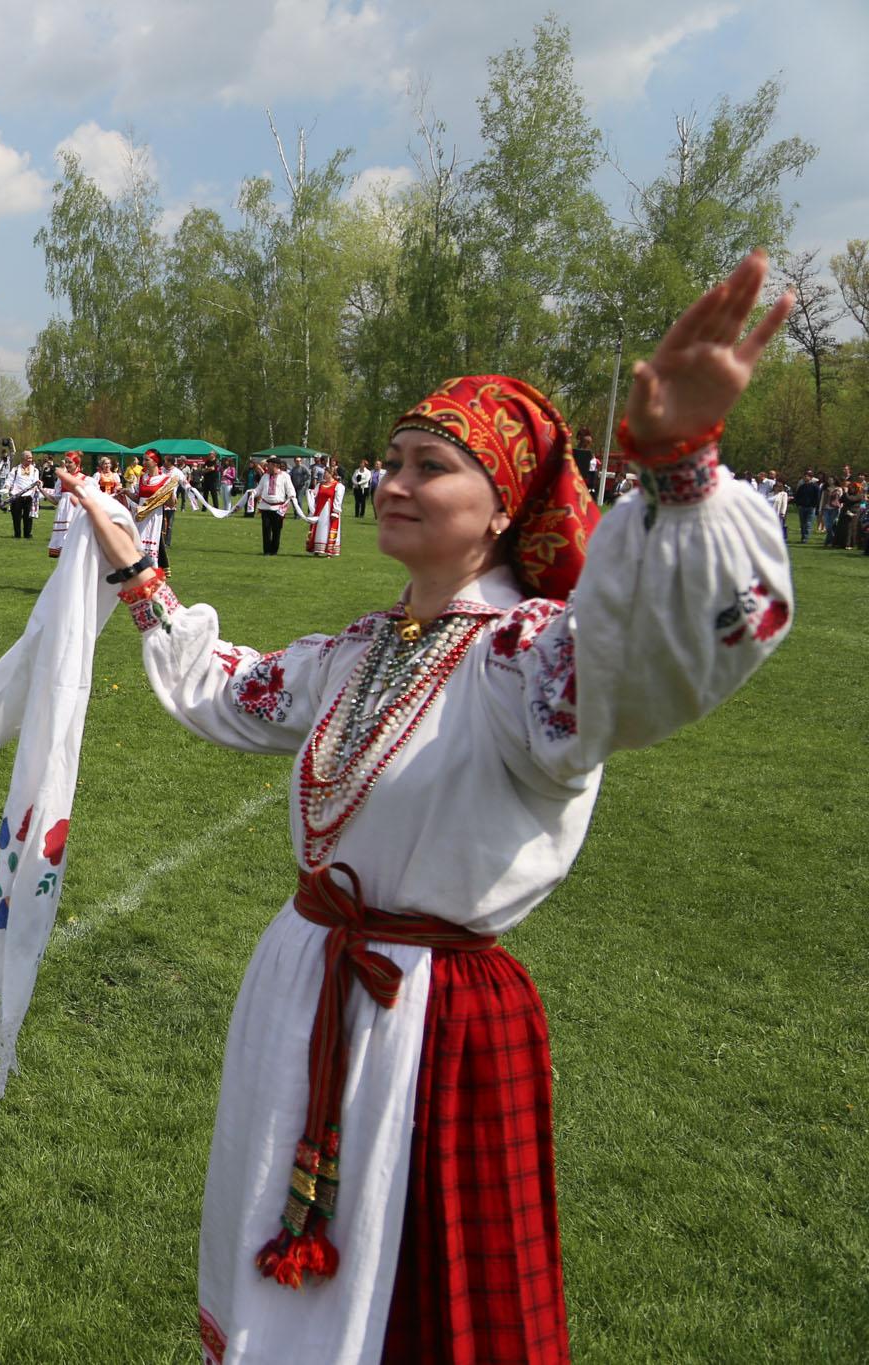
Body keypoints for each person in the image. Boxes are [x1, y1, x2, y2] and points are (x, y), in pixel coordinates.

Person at [85, 251, 793, 1363]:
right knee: (271, 1243)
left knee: (421, 1299)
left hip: (431, 1020)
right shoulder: (363, 647)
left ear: (502, 506)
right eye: (394, 460)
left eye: (431, 466)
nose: (396, 482)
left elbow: (654, 653)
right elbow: (230, 688)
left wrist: (681, 469)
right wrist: (138, 576)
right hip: (302, 982)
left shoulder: (527, 661)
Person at [130, 450, 179, 569]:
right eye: (143, 459)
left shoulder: (165, 480)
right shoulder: (142, 478)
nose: (144, 462)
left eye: (147, 459)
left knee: (149, 547)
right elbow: (139, 499)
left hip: (154, 518)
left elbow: (171, 504)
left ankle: (151, 573)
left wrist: (170, 492)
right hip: (140, 517)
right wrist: (126, 492)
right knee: (137, 546)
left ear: (156, 461)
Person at [46, 454, 84, 558]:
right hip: (64, 511)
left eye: (70, 462)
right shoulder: (61, 479)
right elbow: (55, 500)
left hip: (76, 509)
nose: (67, 465)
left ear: (77, 463)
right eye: (66, 462)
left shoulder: (84, 478)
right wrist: (41, 489)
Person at [256, 458, 297, 554]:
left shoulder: (285, 476)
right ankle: (266, 551)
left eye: (269, 464)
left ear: (275, 465)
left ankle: (274, 550)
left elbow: (290, 489)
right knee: (266, 529)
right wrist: (253, 492)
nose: (267, 466)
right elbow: (259, 489)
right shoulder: (265, 476)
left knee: (276, 530)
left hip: (278, 508)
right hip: (265, 507)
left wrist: (291, 496)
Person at [303, 463, 344, 557]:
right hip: (320, 510)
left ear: (331, 474)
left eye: (326, 473)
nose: (324, 475)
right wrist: (310, 493)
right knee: (318, 528)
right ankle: (317, 549)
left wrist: (335, 512)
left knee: (329, 528)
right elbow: (314, 494)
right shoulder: (320, 484)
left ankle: (329, 551)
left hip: (330, 510)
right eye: (324, 473)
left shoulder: (338, 485)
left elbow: (338, 499)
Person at [7, 450, 43, 539]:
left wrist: (38, 485)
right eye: (28, 458)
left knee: (28, 516)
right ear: (23, 459)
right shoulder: (15, 470)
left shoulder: (35, 470)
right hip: (16, 496)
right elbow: (9, 480)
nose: (30, 460)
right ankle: (17, 534)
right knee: (16, 516)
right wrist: (7, 488)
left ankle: (27, 534)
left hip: (29, 496)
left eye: (31, 458)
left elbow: (36, 481)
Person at [792, 470, 822, 544]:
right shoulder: (802, 487)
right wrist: (798, 504)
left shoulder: (815, 487)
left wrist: (814, 505)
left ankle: (805, 538)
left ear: (811, 478)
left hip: (811, 507)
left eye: (807, 476)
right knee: (802, 523)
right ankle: (803, 537)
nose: (805, 477)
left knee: (808, 523)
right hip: (802, 507)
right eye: (804, 476)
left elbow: (817, 497)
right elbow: (797, 496)